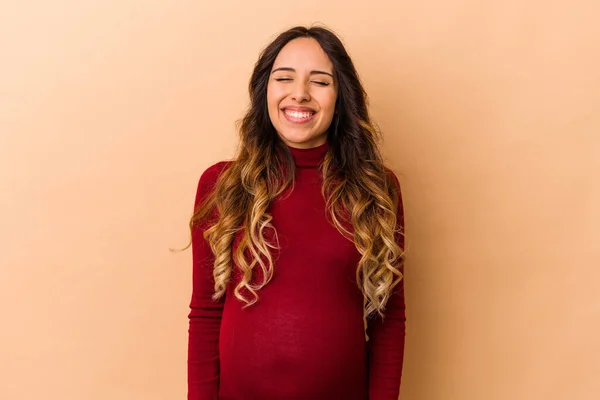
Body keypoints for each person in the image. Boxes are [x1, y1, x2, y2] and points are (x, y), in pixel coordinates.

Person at [187, 25, 406, 400]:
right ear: (265, 91)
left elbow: (388, 320)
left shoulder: (375, 189)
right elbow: (206, 314)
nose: (299, 93)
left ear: (341, 96)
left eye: (319, 81)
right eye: (283, 78)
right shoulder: (221, 184)